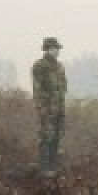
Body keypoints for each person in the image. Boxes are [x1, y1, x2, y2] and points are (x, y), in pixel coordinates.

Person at [31, 36, 67, 178]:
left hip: (59, 109)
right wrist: (42, 110)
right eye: (54, 48)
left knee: (57, 138)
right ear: (47, 49)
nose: (57, 51)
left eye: (57, 48)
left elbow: (62, 90)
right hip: (46, 110)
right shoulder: (39, 66)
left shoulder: (60, 67)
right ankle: (44, 168)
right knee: (46, 138)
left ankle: (53, 168)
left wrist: (62, 110)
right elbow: (38, 91)